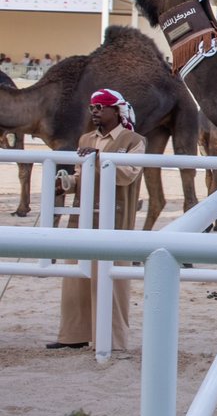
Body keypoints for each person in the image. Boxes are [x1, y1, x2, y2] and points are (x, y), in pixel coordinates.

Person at [47, 89, 146, 351]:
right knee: (75, 278)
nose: (95, 112)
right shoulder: (86, 139)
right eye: (92, 107)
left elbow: (127, 174)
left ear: (117, 110)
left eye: (101, 107)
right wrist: (65, 184)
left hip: (114, 219)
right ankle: (73, 335)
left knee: (112, 282)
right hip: (83, 216)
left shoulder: (134, 140)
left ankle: (112, 341)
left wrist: (99, 157)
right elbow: (82, 176)